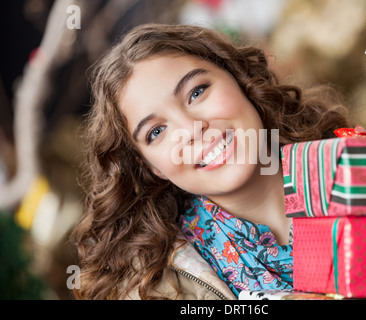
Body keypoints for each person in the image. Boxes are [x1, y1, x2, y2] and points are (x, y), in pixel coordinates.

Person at [70, 23, 350, 300]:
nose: (192, 129)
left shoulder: (359, 159)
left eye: (196, 92)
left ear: (238, 79)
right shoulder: (159, 291)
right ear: (152, 167)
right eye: (156, 132)